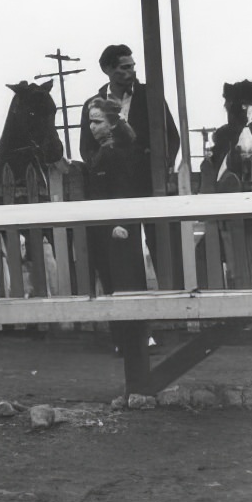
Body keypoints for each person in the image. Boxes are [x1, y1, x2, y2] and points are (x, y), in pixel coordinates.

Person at [78, 43, 180, 287]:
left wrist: (162, 168)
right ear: (107, 69)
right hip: (115, 188)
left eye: (132, 66)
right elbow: (86, 147)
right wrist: (100, 167)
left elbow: (171, 137)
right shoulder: (94, 103)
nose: (131, 72)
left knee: (163, 245)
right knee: (122, 248)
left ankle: (173, 303)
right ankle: (132, 308)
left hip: (148, 182)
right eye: (124, 67)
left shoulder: (150, 96)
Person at [85, 97, 157, 358]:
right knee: (112, 282)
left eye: (97, 122)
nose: (92, 127)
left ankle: (137, 339)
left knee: (126, 281)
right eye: (90, 122)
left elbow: (125, 190)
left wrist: (119, 224)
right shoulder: (104, 150)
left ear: (112, 123)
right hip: (104, 227)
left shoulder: (117, 151)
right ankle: (124, 339)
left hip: (117, 228)